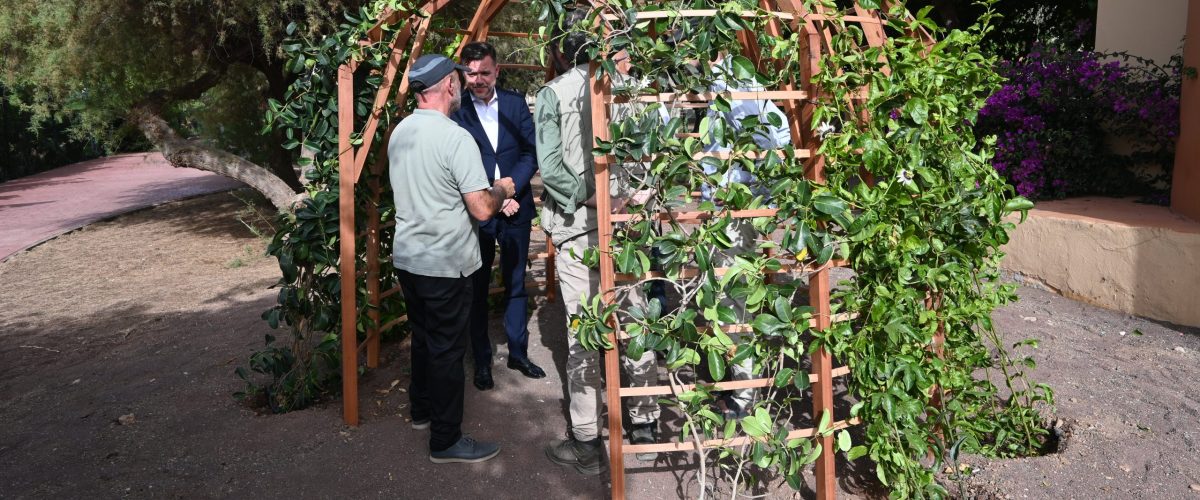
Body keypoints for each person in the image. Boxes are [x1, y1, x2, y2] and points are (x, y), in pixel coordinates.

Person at [536, 11, 661, 475]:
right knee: (637, 322)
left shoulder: (553, 93)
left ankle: (587, 440)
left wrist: (592, 198)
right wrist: (629, 198)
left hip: (577, 229)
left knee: (584, 331)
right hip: (630, 225)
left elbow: (550, 167)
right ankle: (645, 425)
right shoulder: (636, 91)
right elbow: (655, 155)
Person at [388, 53, 515, 464]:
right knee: (446, 351)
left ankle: (421, 411)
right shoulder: (455, 137)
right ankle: (445, 440)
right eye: (458, 81)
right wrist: (503, 190)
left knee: (424, 339)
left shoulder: (400, 132)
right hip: (445, 263)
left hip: (409, 258)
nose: (462, 86)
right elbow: (480, 208)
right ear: (447, 86)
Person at [450, 41, 545, 391]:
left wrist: (512, 189)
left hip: (517, 208)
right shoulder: (456, 113)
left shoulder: (517, 104)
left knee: (516, 283)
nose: (477, 79)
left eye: (484, 72)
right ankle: (483, 362)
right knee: (476, 288)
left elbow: (529, 152)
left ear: (497, 71)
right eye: (470, 73)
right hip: (479, 213)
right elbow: (459, 164)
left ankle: (519, 354)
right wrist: (495, 194)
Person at [701, 52, 792, 419]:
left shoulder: (733, 86)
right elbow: (778, 133)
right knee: (733, 298)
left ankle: (742, 394)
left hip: (734, 213)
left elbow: (777, 133)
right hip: (737, 208)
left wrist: (739, 176)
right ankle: (739, 385)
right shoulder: (737, 84)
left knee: (731, 301)